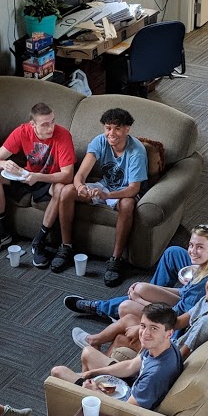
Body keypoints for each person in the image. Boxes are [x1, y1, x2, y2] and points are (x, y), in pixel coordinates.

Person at [67, 225, 208, 349]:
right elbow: (184, 293)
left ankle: (101, 312)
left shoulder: (205, 282)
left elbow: (174, 317)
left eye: (200, 247)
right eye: (191, 245)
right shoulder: (205, 268)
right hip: (181, 306)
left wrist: (139, 300)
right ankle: (113, 311)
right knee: (144, 286)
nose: (192, 251)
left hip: (175, 324)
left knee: (125, 307)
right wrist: (145, 289)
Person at [50, 108, 148, 287]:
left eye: (117, 129)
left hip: (123, 191)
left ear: (127, 129)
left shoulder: (137, 151)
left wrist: (107, 195)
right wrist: (80, 188)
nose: (112, 133)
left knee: (127, 205)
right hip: (104, 186)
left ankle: (115, 259)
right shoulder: (99, 141)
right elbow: (80, 175)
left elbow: (134, 189)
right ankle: (66, 247)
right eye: (108, 128)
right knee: (66, 192)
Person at [0, 102, 76, 265]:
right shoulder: (22, 131)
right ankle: (2, 231)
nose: (51, 128)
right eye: (45, 124)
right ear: (32, 124)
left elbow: (68, 176)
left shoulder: (63, 135)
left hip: (48, 180)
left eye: (53, 121)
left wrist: (38, 177)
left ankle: (39, 240)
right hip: (26, 176)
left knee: (61, 189)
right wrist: (4, 164)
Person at [51, 303, 183, 411]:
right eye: (143, 326)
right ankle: (83, 401)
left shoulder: (156, 375)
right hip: (130, 385)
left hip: (123, 407)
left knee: (58, 372)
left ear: (169, 333)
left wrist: (96, 392)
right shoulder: (163, 347)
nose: (144, 334)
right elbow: (131, 365)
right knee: (88, 352)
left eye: (154, 328)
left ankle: (85, 405)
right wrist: (93, 373)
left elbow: (127, 410)